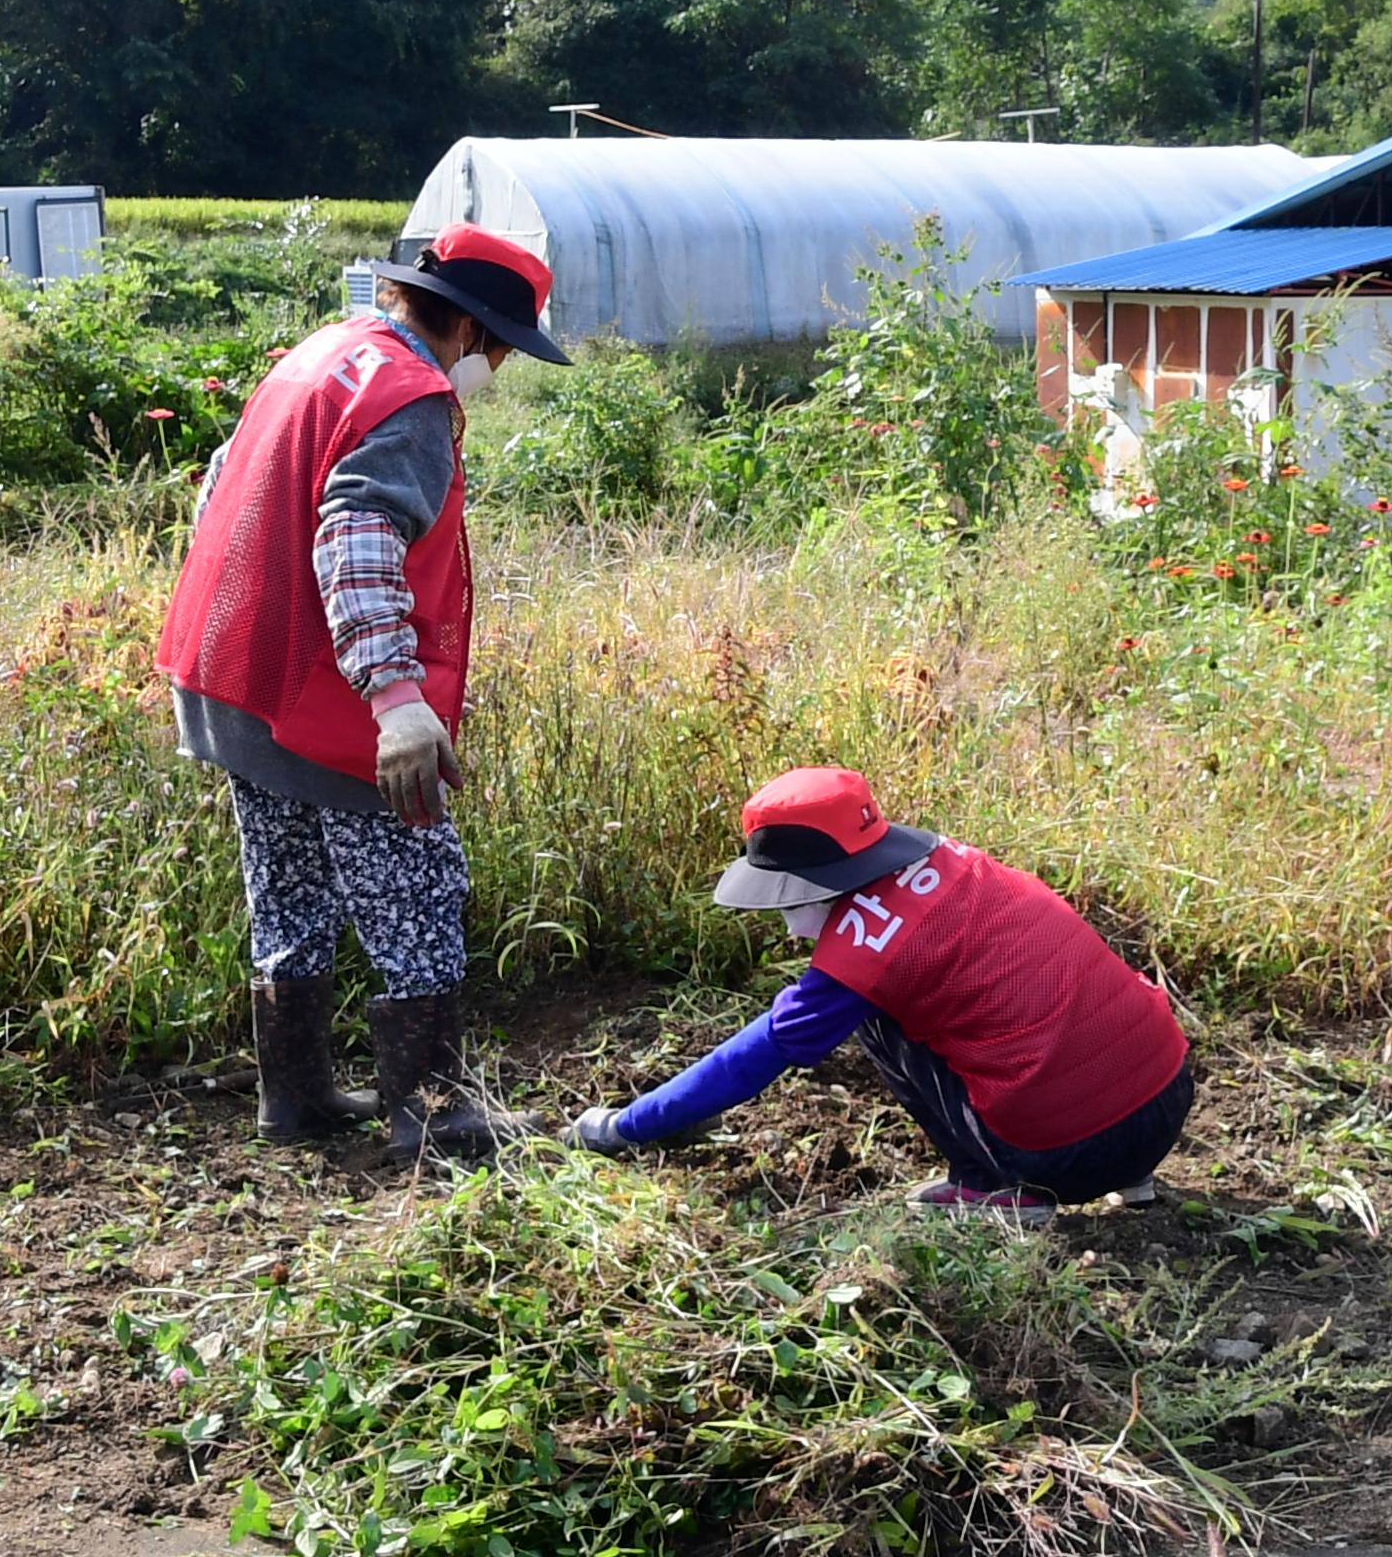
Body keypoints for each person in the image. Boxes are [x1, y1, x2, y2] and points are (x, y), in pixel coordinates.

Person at [155, 225, 568, 1154]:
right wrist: (397, 700)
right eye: (501, 347)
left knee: (288, 888)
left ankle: (293, 1099)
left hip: (235, 675)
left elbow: (222, 483)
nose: (497, 366)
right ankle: (436, 1113)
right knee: (416, 885)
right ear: (470, 330)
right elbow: (358, 536)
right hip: (322, 701)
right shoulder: (411, 397)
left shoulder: (321, 354)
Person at [561, 766, 1197, 1225]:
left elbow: (756, 1056)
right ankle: (1130, 1175)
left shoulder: (865, 953)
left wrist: (625, 1126)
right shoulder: (959, 863)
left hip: (1063, 1155)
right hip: (1166, 1098)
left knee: (877, 1015)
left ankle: (999, 1186)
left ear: (812, 884)